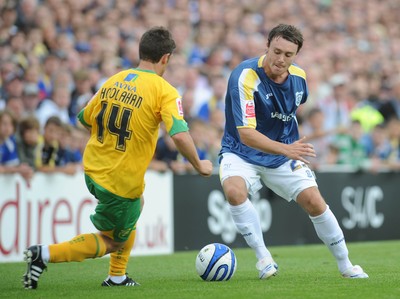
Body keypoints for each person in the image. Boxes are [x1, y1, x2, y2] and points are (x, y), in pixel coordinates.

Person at [22, 26, 213, 290]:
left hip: (93, 169)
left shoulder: (114, 80)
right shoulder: (164, 90)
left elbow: (83, 119)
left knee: (138, 203)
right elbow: (179, 135)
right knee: (113, 241)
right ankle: (43, 254)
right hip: (119, 181)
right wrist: (200, 164)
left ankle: (117, 278)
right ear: (166, 58)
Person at [218, 24, 368, 280]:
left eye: (288, 55)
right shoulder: (244, 76)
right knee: (234, 191)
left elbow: (291, 113)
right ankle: (263, 258)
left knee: (315, 201)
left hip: (283, 153)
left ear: (296, 55)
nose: (281, 59)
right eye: (277, 51)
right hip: (241, 151)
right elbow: (246, 133)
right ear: (267, 46)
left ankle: (346, 265)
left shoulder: (299, 78)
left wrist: (291, 145)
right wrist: (287, 148)